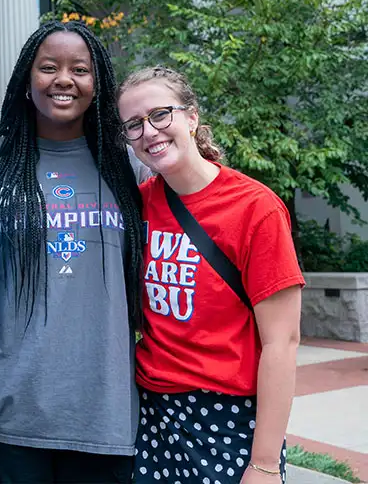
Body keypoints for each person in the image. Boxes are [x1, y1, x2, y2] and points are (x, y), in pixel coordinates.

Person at [0, 20, 147, 484]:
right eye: (48, 67)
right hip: (12, 417)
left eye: (80, 69)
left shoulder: (130, 168)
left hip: (105, 418)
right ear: (27, 83)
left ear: (98, 84)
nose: (64, 79)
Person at [117, 66, 304, 484]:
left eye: (161, 114)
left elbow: (282, 343)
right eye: (133, 124)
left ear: (192, 117)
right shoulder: (137, 204)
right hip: (152, 418)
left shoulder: (255, 208)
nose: (149, 131)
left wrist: (265, 464)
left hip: (228, 419)